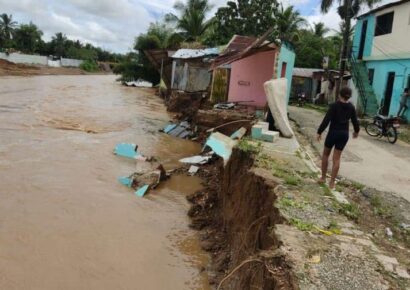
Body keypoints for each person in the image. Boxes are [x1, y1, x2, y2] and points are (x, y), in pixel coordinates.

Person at [317, 87, 360, 189]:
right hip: (344, 134)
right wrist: (356, 131)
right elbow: (355, 120)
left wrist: (319, 132)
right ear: (349, 96)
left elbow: (326, 120)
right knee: (337, 158)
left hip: (333, 133)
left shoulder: (334, 106)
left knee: (326, 154)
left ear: (339, 94)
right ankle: (332, 183)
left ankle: (323, 178)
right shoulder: (351, 107)